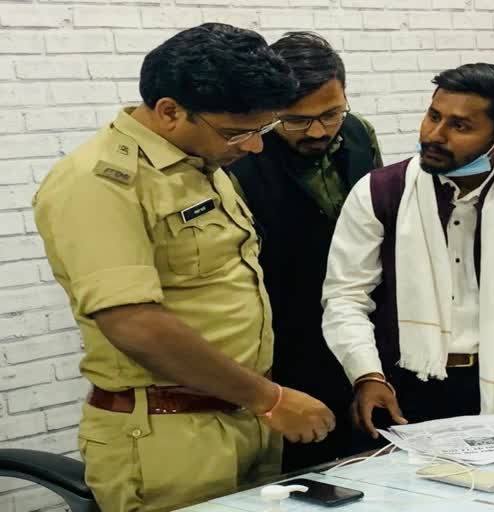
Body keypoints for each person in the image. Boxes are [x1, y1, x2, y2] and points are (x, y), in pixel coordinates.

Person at [32, 23, 335, 512]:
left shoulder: (200, 165)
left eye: (263, 130)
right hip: (169, 438)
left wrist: (262, 403)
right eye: (240, 132)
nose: (255, 147)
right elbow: (135, 325)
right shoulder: (100, 182)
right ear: (170, 110)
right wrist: (271, 399)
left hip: (244, 417)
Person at [321, 63, 494, 439]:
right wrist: (366, 372)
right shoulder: (377, 192)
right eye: (433, 116)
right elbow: (345, 296)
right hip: (405, 384)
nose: (434, 135)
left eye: (460, 126)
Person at [226, 32, 383, 470]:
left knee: (368, 459)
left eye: (331, 113)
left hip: (358, 326)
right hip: (284, 337)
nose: (317, 130)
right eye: (295, 120)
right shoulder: (239, 158)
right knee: (301, 467)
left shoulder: (359, 134)